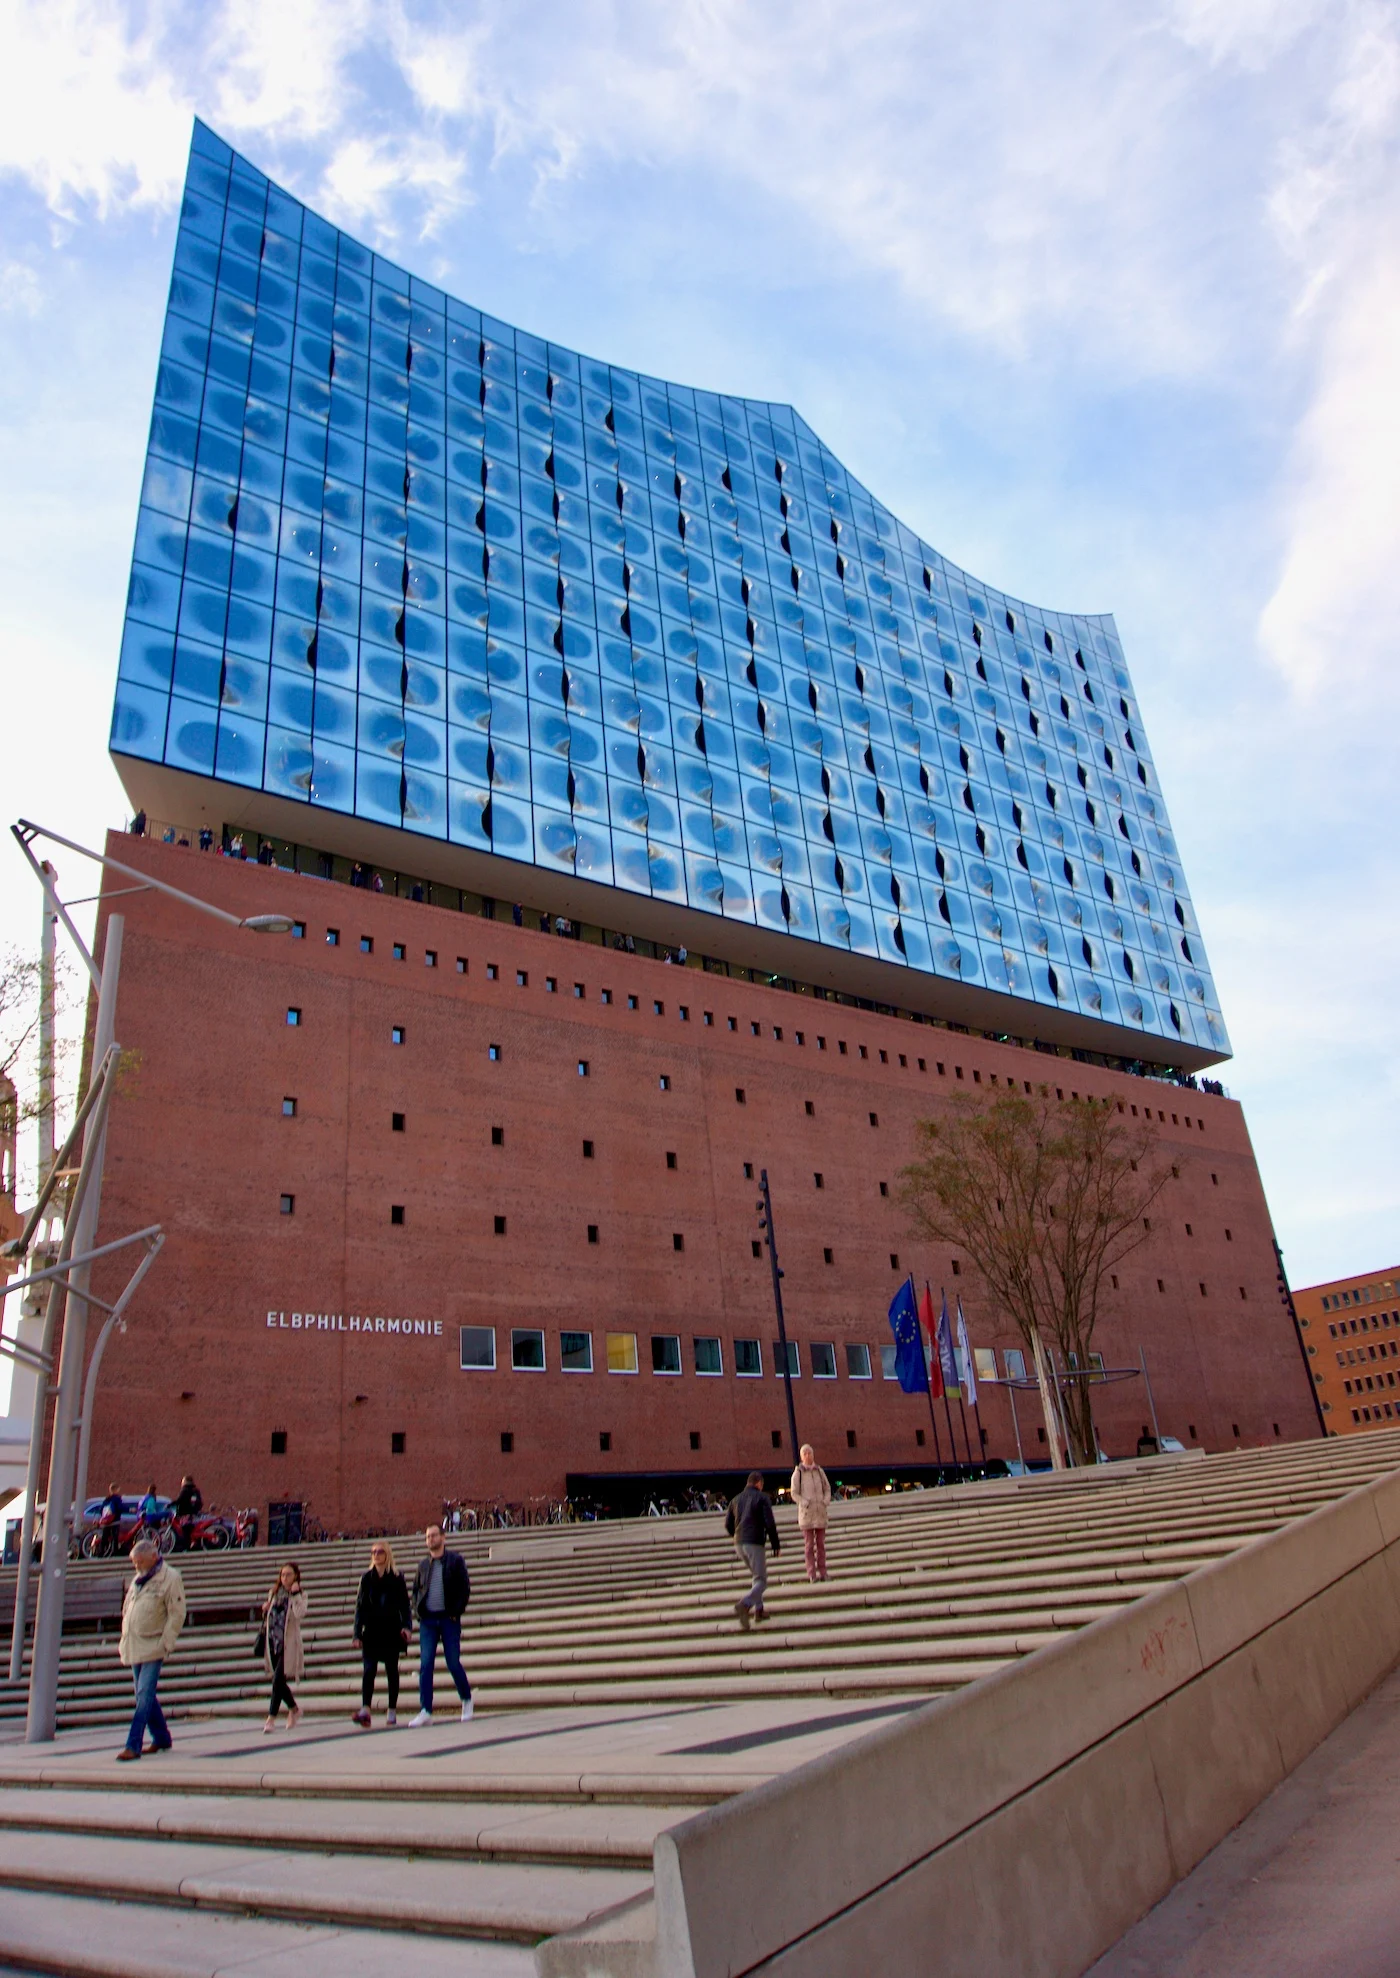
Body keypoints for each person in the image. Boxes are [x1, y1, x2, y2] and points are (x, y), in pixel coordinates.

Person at [117, 1536, 185, 1759]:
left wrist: (166, 1642)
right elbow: (128, 1608)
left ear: (154, 1557)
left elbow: (177, 1613)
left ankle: (133, 1744)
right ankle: (162, 1737)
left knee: (144, 1694)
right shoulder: (139, 1578)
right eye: (134, 1562)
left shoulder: (170, 1578)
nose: (137, 1566)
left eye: (140, 1561)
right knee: (144, 1694)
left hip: (154, 1644)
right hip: (134, 1643)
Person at [409, 1523, 473, 1724]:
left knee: (453, 1662)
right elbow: (415, 1591)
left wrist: (456, 1612)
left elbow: (464, 1588)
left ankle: (466, 1699)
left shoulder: (455, 1560)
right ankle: (425, 1710)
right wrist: (418, 1612)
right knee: (426, 1664)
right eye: (428, 1536)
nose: (431, 1539)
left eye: (434, 1535)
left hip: (448, 1619)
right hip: (428, 1621)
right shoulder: (423, 1565)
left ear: (443, 1537)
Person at [352, 1540, 412, 1727]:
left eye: (380, 1552)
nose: (376, 1555)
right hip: (371, 1630)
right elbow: (360, 1606)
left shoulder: (396, 1577)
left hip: (391, 1630)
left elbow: (404, 1605)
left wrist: (407, 1626)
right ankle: (365, 1709)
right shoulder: (366, 1578)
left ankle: (392, 1709)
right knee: (369, 1670)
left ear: (387, 1554)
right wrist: (356, 1633)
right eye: (373, 1552)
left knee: (391, 1671)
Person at [725, 1470, 780, 1630]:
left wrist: (736, 1535)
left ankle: (759, 1611)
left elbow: (728, 1524)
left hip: (739, 1543)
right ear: (759, 1483)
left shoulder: (735, 1500)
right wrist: (775, 1545)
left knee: (756, 1576)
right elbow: (769, 1523)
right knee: (762, 1580)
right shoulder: (762, 1498)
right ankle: (745, 1604)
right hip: (754, 1542)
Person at [262, 1561, 307, 1731]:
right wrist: (266, 1609)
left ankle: (271, 1718)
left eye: (288, 1574)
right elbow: (271, 1617)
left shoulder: (301, 1594)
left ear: (296, 1576)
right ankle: (294, 1709)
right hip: (274, 1640)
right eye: (282, 1575)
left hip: (289, 1643)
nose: (285, 1578)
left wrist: (295, 1595)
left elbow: (300, 1614)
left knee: (277, 1680)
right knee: (279, 1681)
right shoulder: (273, 1593)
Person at [790, 1444, 832, 1582]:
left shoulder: (819, 1471)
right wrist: (803, 1502)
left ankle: (823, 1572)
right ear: (801, 1457)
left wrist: (825, 1501)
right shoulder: (798, 1473)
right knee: (809, 1546)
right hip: (807, 1514)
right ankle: (811, 1574)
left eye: (810, 1453)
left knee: (821, 1545)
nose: (808, 1455)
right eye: (805, 1453)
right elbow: (794, 1493)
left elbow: (827, 1488)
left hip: (820, 1512)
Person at [171, 1474, 202, 1550]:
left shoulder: (185, 1490)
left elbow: (180, 1500)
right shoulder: (195, 1490)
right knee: (190, 1529)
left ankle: (187, 1547)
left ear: (185, 1482)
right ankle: (194, 1544)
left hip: (185, 1513)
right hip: (193, 1512)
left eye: (182, 1481)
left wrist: (170, 1504)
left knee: (185, 1531)